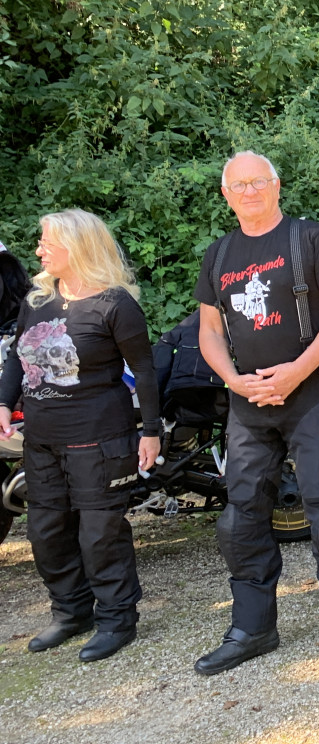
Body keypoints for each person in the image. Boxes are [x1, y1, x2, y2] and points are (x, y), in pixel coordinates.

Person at [192, 151, 319, 675]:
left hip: (315, 393)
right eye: (239, 185)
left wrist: (296, 371)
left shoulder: (309, 238)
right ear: (226, 195)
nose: (249, 191)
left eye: (259, 181)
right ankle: (252, 628)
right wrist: (232, 379)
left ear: (276, 186)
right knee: (240, 517)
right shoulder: (219, 255)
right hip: (249, 400)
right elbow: (209, 330)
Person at [0, 210, 161, 661]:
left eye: (47, 242)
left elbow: (144, 370)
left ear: (78, 246)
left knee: (99, 534)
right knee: (45, 531)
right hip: (42, 440)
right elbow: (16, 358)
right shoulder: (38, 300)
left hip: (98, 438)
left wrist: (151, 432)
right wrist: (3, 402)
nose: (38, 250)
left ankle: (116, 618)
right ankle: (71, 612)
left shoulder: (115, 304)